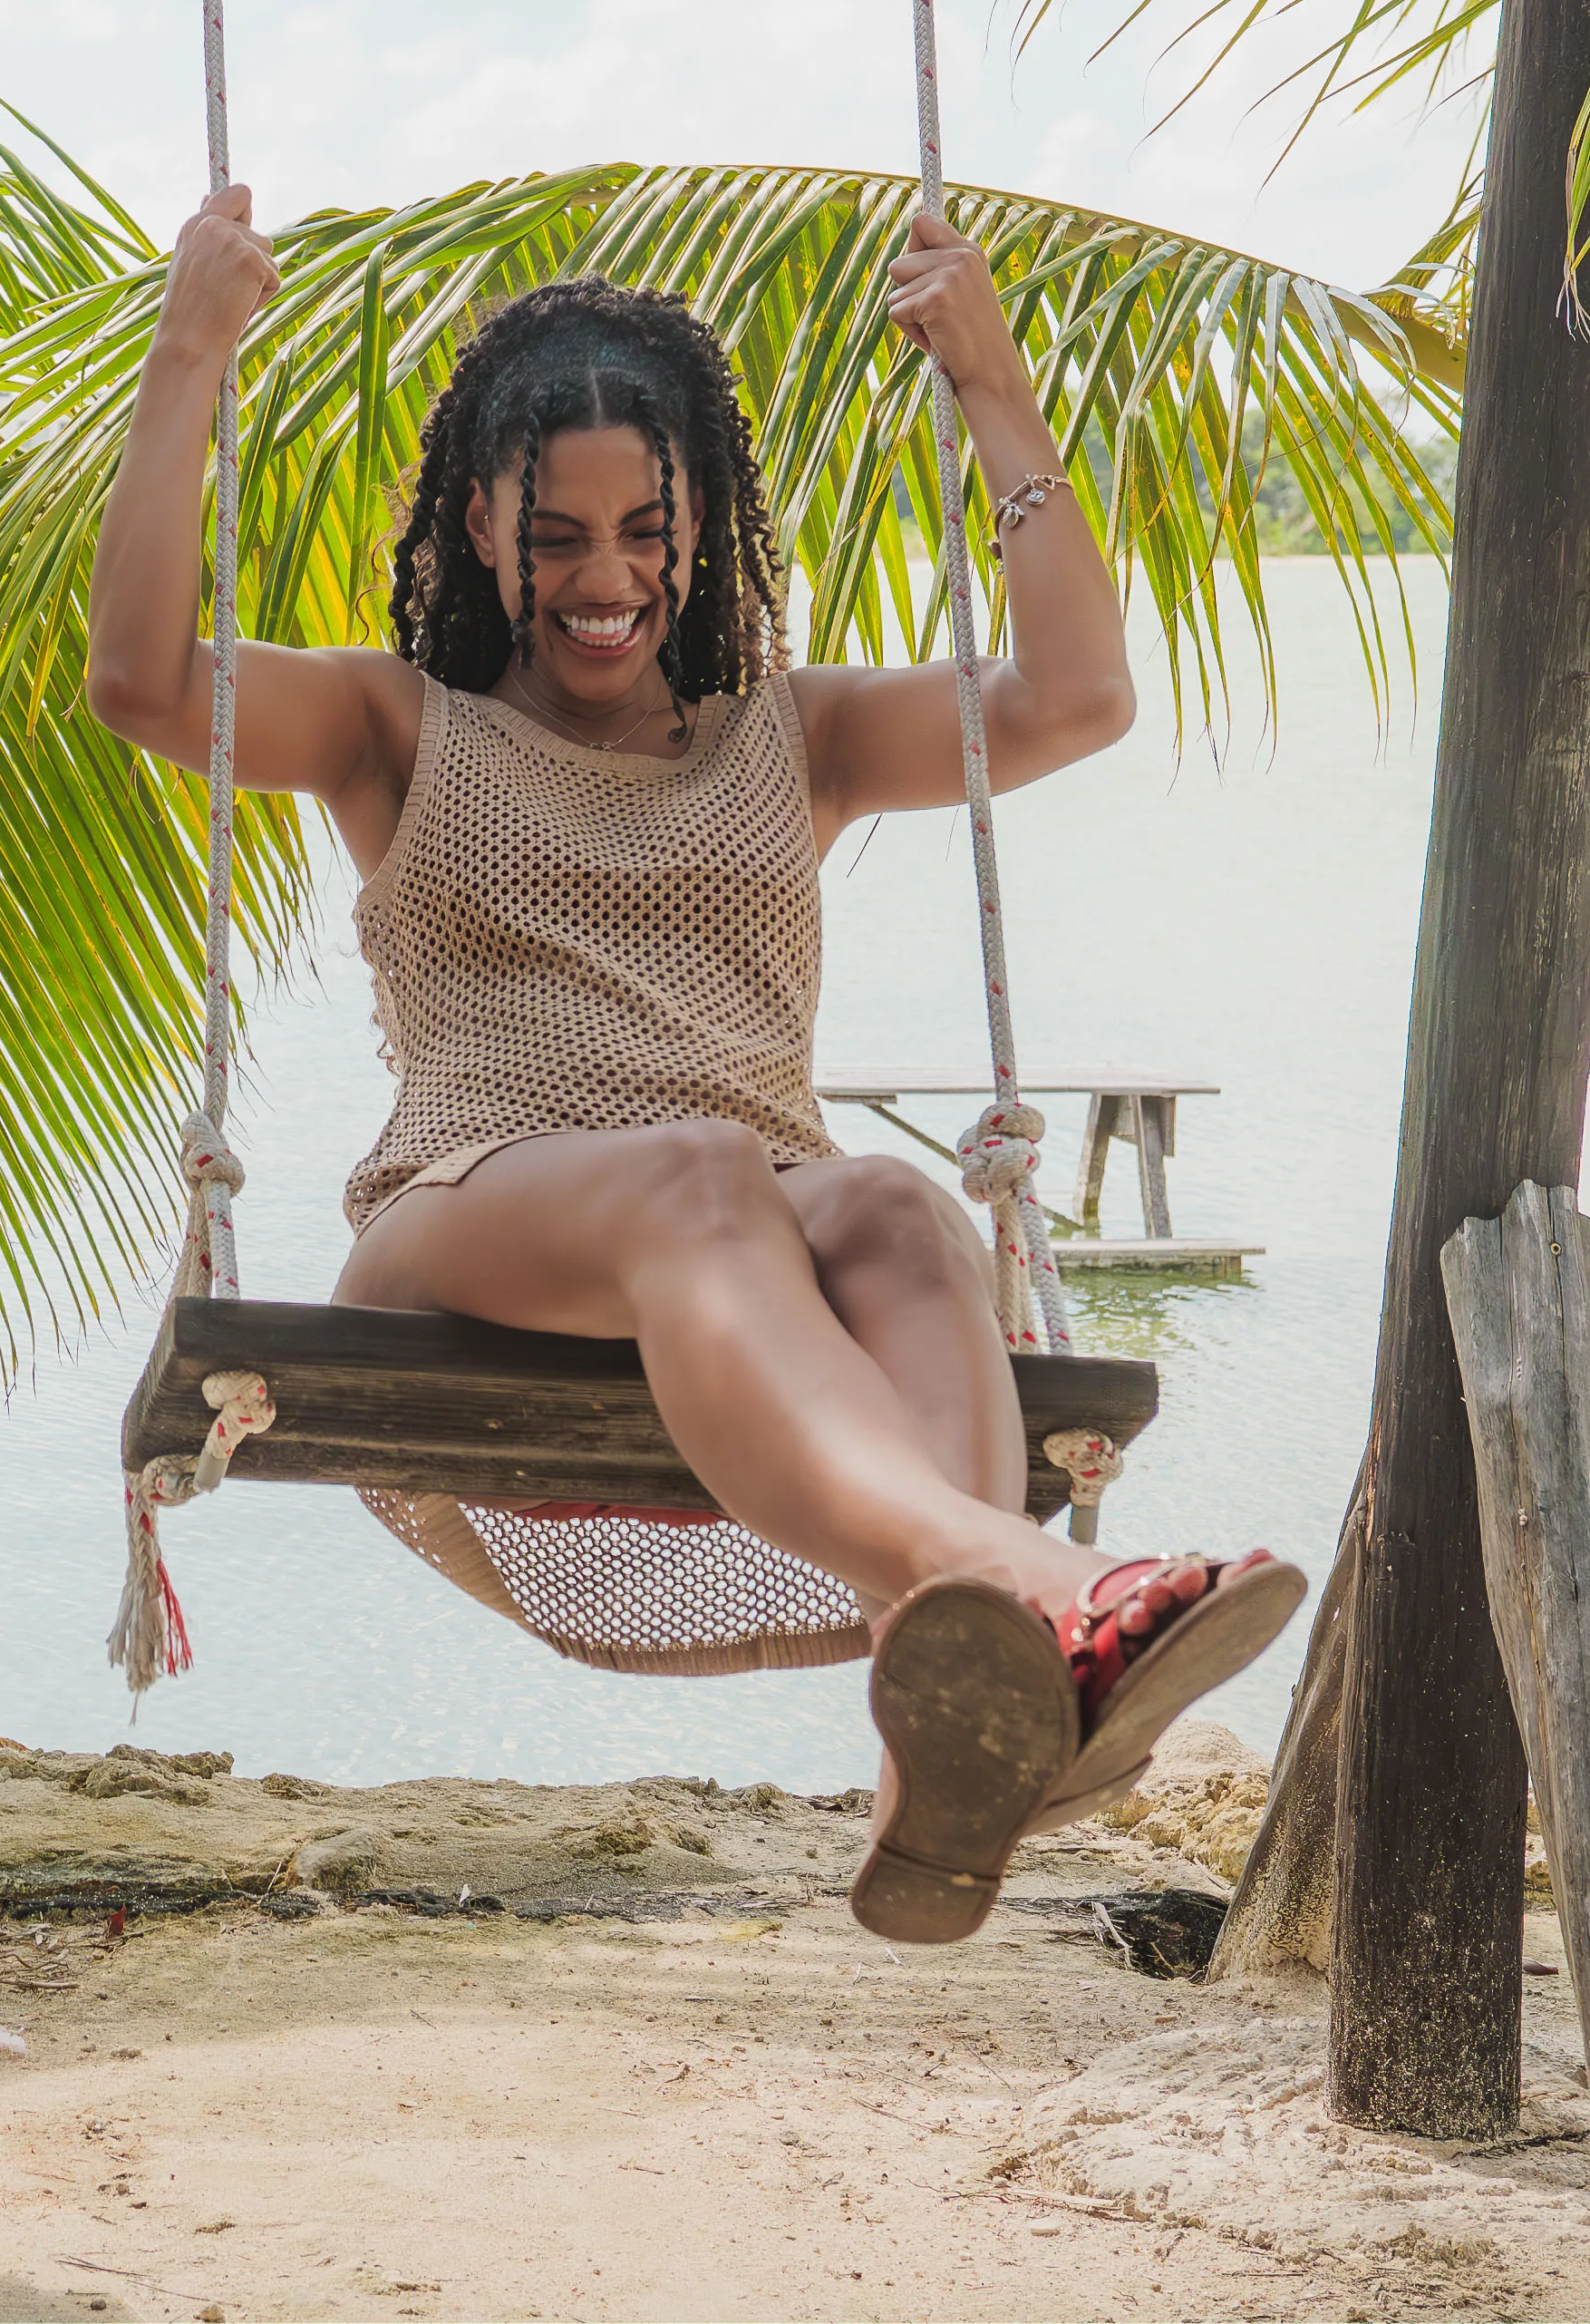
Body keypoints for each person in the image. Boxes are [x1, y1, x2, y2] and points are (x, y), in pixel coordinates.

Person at [81, 188, 1300, 1946]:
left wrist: (994, 389)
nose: (607, 578)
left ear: (703, 528)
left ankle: (943, 1759)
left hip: (742, 1250)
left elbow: (1077, 696)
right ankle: (1031, 1585)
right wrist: (192, 353)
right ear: (478, 526)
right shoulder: (398, 727)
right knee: (708, 1169)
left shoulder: (788, 736)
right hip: (466, 1214)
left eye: (649, 530)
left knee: (891, 1200)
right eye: (558, 532)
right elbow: (142, 679)